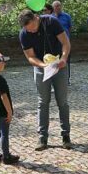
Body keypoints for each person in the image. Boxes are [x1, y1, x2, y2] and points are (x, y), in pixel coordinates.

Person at [18, 9, 72, 150]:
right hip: (41, 68)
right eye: (28, 30)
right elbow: (30, 57)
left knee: (62, 102)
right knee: (43, 102)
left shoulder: (51, 22)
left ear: (37, 18)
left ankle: (66, 135)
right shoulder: (24, 33)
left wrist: (64, 59)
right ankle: (42, 138)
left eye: (33, 28)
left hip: (60, 65)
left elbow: (66, 43)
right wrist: (44, 66)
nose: (31, 31)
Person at [52, 0, 73, 82]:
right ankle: (56, 79)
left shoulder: (67, 16)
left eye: (59, 5)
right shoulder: (51, 17)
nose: (58, 7)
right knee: (55, 61)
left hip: (65, 43)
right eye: (56, 6)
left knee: (66, 61)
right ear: (53, 8)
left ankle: (67, 79)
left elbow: (70, 28)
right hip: (54, 44)